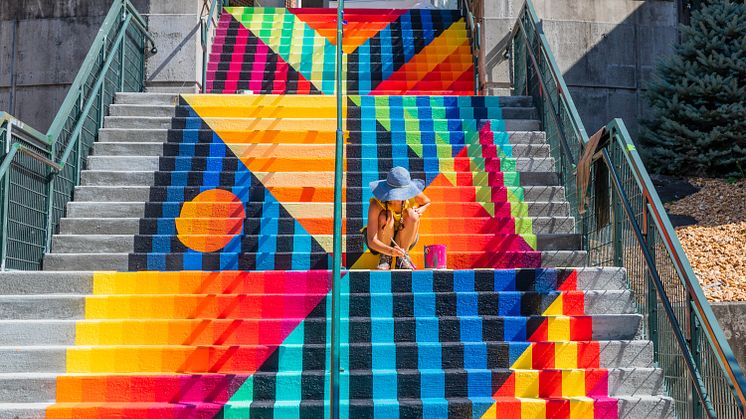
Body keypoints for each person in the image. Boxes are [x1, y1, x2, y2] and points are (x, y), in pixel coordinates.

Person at [365, 166, 431, 270]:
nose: (399, 199)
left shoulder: (414, 194)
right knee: (386, 216)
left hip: (406, 237)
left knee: (412, 215)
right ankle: (384, 258)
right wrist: (390, 251)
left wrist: (420, 210)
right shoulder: (376, 204)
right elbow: (371, 240)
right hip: (381, 240)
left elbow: (427, 202)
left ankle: (402, 257)